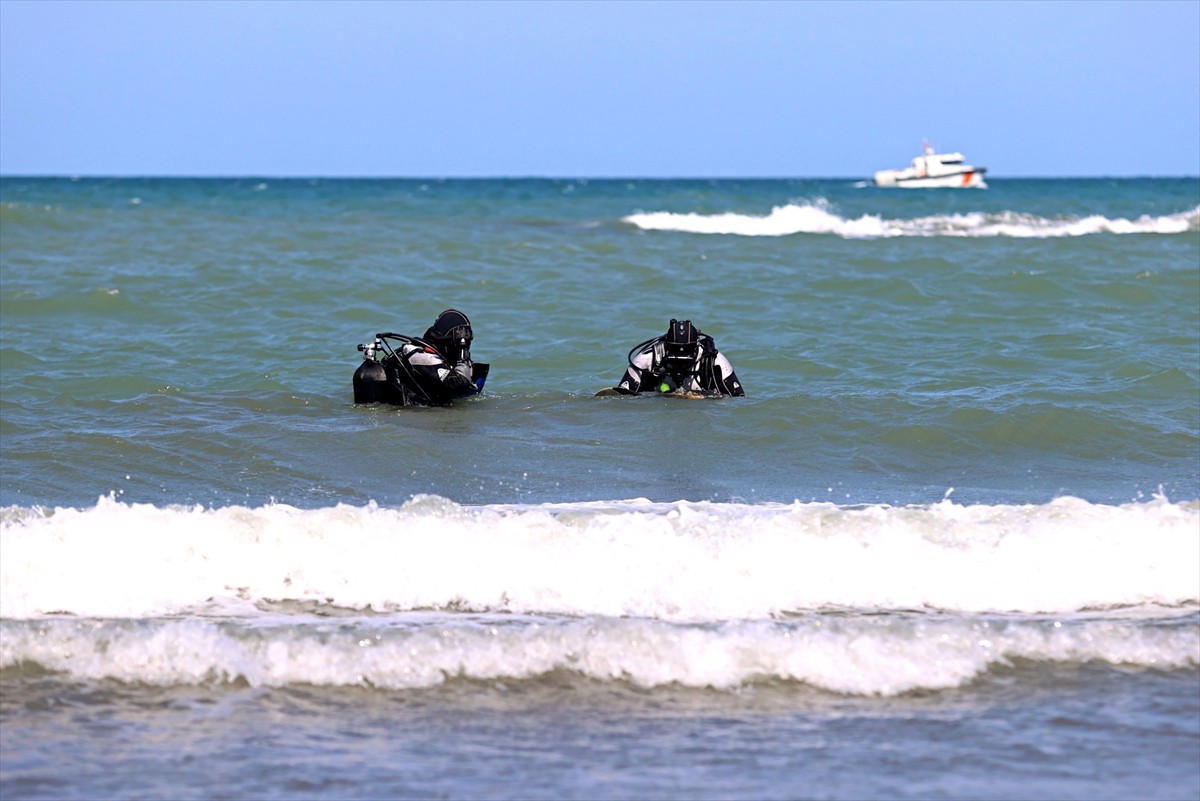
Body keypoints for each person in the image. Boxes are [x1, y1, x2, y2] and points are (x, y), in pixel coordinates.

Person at [353, 309, 489, 406]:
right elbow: (458, 383)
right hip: (406, 415)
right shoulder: (421, 356)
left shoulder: (437, 356)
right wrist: (463, 351)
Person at [608, 318, 745, 396]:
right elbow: (623, 402)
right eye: (675, 363)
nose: (680, 368)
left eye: (685, 364)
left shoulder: (715, 362)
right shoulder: (645, 360)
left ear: (695, 353)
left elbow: (737, 403)